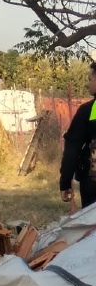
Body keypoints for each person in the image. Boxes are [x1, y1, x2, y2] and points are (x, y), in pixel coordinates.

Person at [60, 61, 96, 207]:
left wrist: (65, 181)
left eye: (90, 79)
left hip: (93, 184)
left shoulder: (88, 110)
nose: (88, 84)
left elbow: (72, 148)